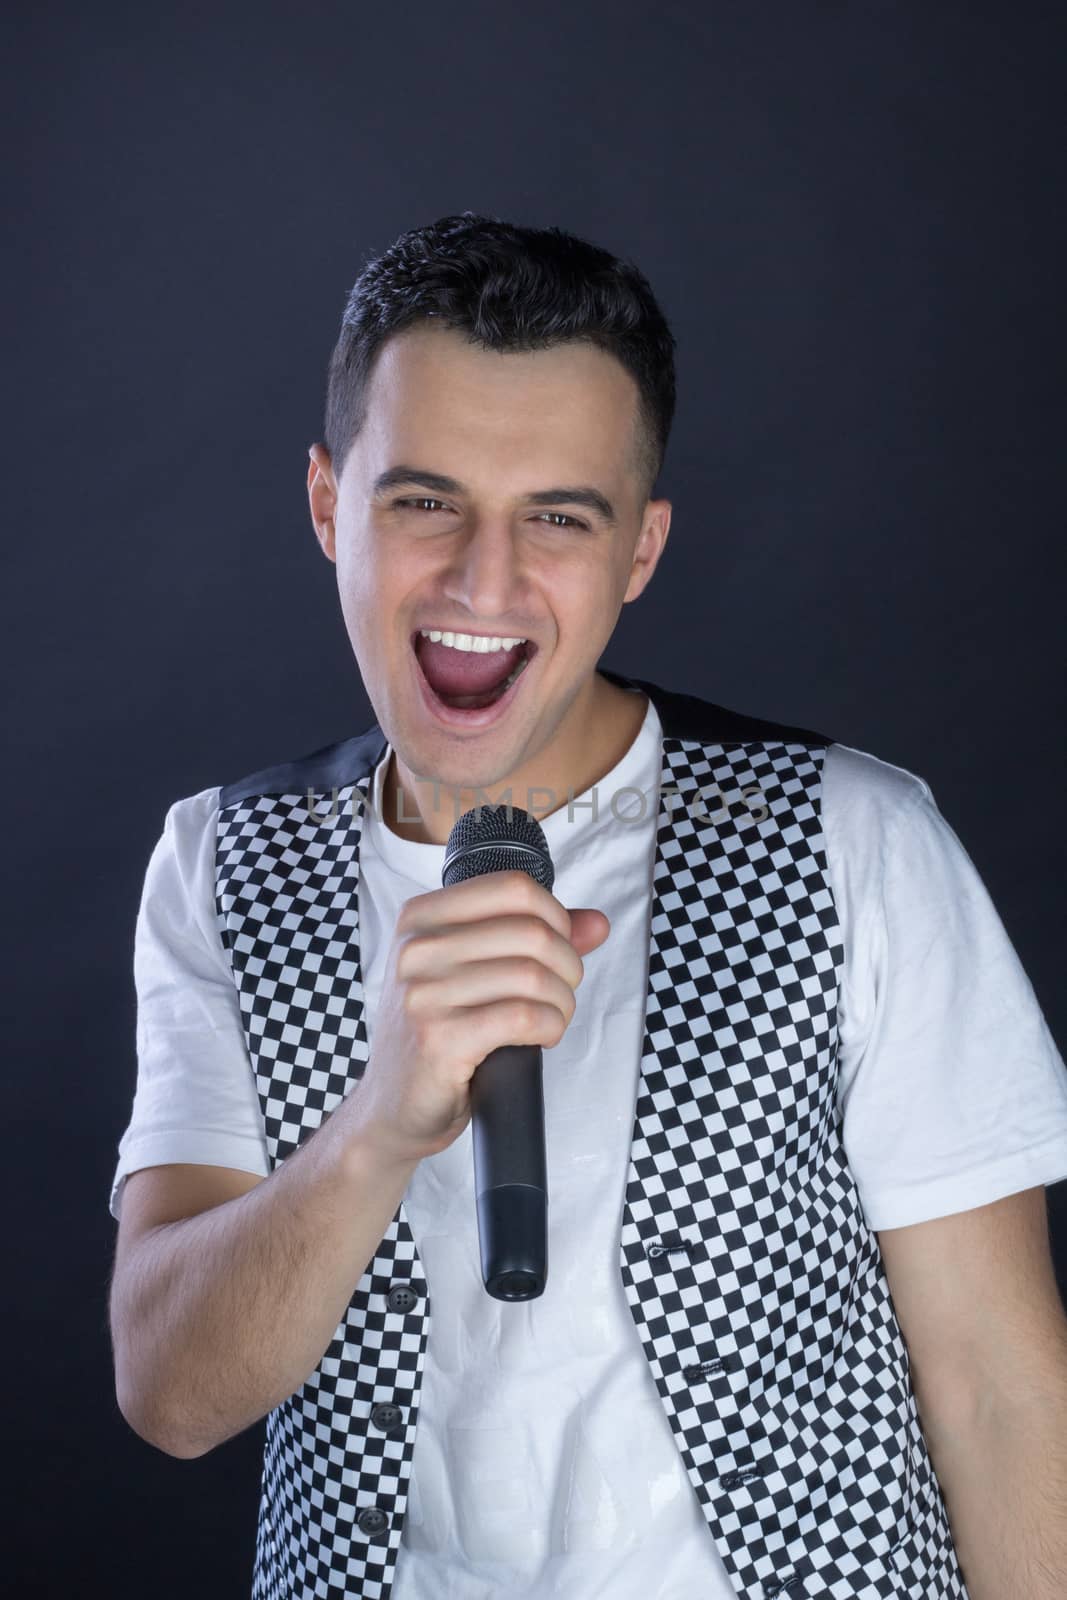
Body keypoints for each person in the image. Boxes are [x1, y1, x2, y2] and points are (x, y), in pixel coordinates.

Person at [108, 212, 1067, 1600]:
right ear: (328, 505)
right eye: (423, 500)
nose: (482, 586)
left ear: (640, 551)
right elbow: (172, 1394)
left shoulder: (855, 840)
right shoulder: (223, 865)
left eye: (559, 517)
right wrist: (382, 1124)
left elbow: (1001, 1392)